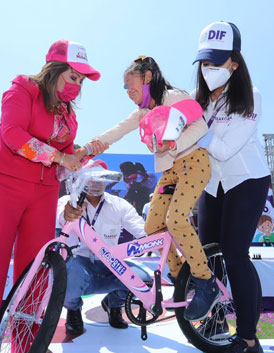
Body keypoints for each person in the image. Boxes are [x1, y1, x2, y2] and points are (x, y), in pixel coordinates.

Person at [0, 39, 100, 353]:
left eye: (82, 81)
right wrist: (60, 158)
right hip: (5, 182)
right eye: (74, 77)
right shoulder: (23, 89)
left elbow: (65, 157)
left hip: (44, 191)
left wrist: (84, 155)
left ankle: (28, 346)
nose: (77, 86)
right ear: (55, 69)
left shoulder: (68, 113)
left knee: (36, 273)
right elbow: (12, 134)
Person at [90, 56, 215, 321]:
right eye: (124, 87)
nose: (127, 91)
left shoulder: (173, 96)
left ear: (147, 77)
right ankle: (182, 275)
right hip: (169, 173)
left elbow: (201, 125)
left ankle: (206, 282)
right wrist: (90, 148)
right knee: (152, 228)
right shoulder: (142, 113)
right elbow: (117, 131)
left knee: (176, 220)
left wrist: (173, 145)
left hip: (193, 163)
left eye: (130, 83)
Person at [193, 22, 270, 353]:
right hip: (211, 185)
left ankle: (249, 337)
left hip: (246, 180)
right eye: (205, 63)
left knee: (235, 255)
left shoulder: (251, 98)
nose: (210, 70)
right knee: (209, 257)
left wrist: (192, 129)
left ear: (235, 64)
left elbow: (223, 150)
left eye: (218, 63)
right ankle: (215, 324)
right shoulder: (200, 103)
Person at [57, 160, 147, 335]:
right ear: (81, 179)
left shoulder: (119, 204)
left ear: (107, 180)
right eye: (91, 178)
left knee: (142, 279)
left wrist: (153, 239)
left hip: (110, 263)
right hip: (78, 263)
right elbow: (59, 218)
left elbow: (142, 230)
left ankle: (114, 305)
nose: (96, 183)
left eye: (101, 178)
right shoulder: (68, 201)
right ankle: (73, 310)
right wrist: (71, 210)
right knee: (72, 275)